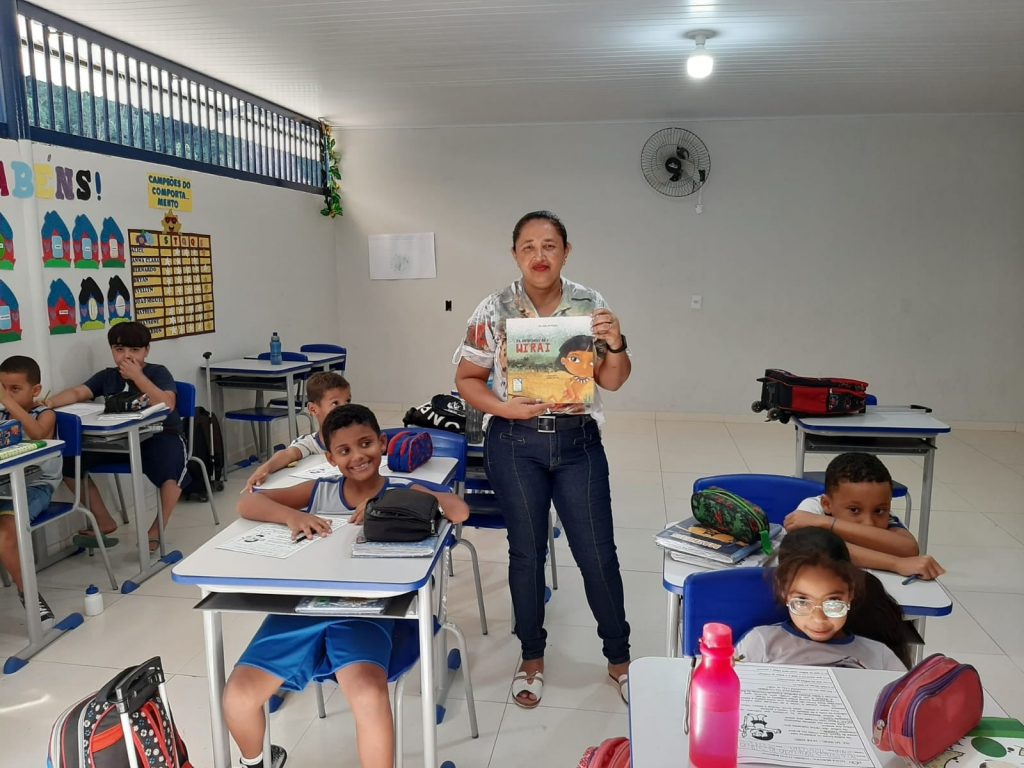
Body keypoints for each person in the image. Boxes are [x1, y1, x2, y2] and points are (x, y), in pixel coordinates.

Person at [223, 404, 469, 768]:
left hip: (367, 612)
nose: (357, 456)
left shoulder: (402, 489)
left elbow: (459, 511)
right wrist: (292, 516)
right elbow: (247, 502)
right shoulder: (319, 491)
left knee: (369, 695)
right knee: (238, 696)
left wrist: (392, 500)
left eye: (366, 444)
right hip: (302, 610)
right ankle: (257, 762)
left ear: (382, 444)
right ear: (331, 458)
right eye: (344, 450)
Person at [455, 210, 632, 708]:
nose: (539, 255)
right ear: (515, 254)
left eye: (549, 245)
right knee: (527, 554)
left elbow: (613, 379)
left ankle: (620, 660)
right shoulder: (493, 309)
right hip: (515, 444)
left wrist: (616, 343)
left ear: (565, 252)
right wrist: (504, 408)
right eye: (528, 246)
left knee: (597, 554)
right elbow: (467, 379)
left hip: (578, 445)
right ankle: (531, 657)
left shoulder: (590, 304)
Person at [44, 322, 188, 553]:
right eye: (119, 350)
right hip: (119, 440)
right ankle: (104, 520)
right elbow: (79, 392)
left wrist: (137, 376)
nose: (126, 356)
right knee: (69, 464)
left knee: (171, 475)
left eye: (134, 350)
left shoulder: (158, 372)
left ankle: (156, 530)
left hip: (161, 435)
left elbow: (167, 403)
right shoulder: (108, 376)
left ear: (146, 351)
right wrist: (48, 403)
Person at [736, 528, 909, 670]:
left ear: (850, 594)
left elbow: (906, 699)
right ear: (784, 592)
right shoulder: (760, 643)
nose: (819, 620)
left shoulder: (879, 655)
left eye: (833, 602)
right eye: (802, 601)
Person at [783, 452, 945, 580]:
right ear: (827, 505)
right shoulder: (812, 508)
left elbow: (909, 549)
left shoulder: (820, 520)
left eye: (879, 511)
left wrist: (826, 523)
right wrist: (896, 563)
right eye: (854, 510)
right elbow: (821, 549)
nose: (869, 522)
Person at [0, 355, 60, 626]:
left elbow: (38, 434)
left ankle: (31, 597)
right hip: (4, 486)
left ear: (35, 390)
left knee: (4, 537)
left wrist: (8, 402)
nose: (7, 395)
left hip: (34, 487)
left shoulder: (44, 413)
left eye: (15, 389)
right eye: (3, 388)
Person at [242, 371, 351, 492]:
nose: (345, 408)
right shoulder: (310, 443)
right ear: (313, 409)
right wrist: (264, 469)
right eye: (335, 403)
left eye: (347, 401)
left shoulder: (358, 438)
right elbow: (288, 454)